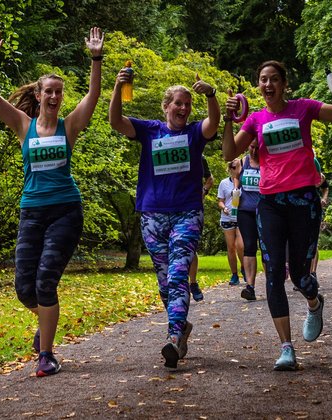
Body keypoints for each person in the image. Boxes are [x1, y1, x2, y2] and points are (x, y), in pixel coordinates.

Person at [0, 27, 103, 377]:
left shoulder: (70, 127)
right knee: (25, 289)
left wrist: (96, 58)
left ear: (62, 96)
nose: (53, 96)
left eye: (58, 91)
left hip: (65, 210)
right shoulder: (24, 125)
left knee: (45, 281)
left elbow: (93, 97)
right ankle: (47, 323)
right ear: (37, 95)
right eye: (48, 90)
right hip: (31, 211)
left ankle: (46, 354)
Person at [222, 60, 332, 370]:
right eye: (262, 80)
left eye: (273, 79)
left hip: (303, 201)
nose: (267, 85)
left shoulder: (304, 108)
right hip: (269, 203)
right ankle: (286, 348)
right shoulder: (255, 119)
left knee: (299, 274)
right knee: (273, 274)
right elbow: (229, 153)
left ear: (284, 84)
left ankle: (314, 302)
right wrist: (229, 120)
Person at [110, 68, 219, 369]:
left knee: (178, 275)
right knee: (164, 281)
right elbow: (115, 121)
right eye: (178, 103)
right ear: (166, 106)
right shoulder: (149, 130)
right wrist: (118, 89)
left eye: (187, 104)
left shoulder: (195, 133)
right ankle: (181, 326)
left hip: (187, 213)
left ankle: (173, 337)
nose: (183, 108)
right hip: (152, 214)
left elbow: (213, 124)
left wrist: (210, 95)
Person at [235, 143, 262, 301]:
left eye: (257, 147)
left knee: (267, 248)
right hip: (245, 211)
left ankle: (273, 284)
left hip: (265, 211)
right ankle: (250, 287)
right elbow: (236, 178)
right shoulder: (243, 162)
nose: (254, 150)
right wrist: (235, 191)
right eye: (251, 147)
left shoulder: (268, 162)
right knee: (249, 246)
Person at [188, 156, 214, 302]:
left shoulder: (199, 157)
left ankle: (193, 283)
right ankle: (177, 286)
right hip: (167, 206)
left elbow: (210, 178)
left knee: (190, 246)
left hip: (192, 207)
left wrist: (203, 191)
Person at [218, 159, 245, 286]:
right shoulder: (224, 183)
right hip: (227, 218)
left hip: (241, 217)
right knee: (231, 248)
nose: (236, 170)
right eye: (233, 167)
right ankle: (234, 274)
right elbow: (220, 201)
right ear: (230, 169)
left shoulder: (244, 181)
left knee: (241, 245)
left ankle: (244, 268)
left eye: (238, 167)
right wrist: (224, 207)